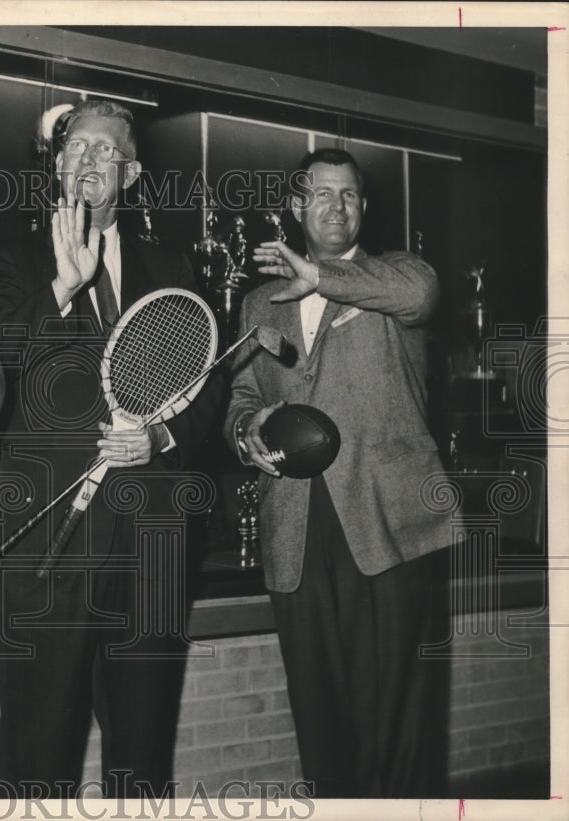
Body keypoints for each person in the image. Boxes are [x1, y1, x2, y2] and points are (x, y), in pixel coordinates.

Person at [0, 99, 221, 799]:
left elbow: (209, 387)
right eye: (74, 147)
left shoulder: (170, 265)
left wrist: (163, 435)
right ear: (55, 164)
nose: (85, 160)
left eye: (103, 150)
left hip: (151, 546)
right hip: (49, 545)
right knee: (35, 760)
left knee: (141, 765)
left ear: (132, 173)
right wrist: (62, 284)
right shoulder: (13, 258)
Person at [224, 148, 453, 798]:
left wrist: (322, 276)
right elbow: (239, 402)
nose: (336, 206)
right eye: (321, 194)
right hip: (297, 530)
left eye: (349, 195)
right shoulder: (259, 305)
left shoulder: (393, 278)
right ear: (297, 207)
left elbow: (423, 292)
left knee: (397, 733)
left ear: (364, 206)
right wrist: (247, 432)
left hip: (386, 527)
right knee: (321, 728)